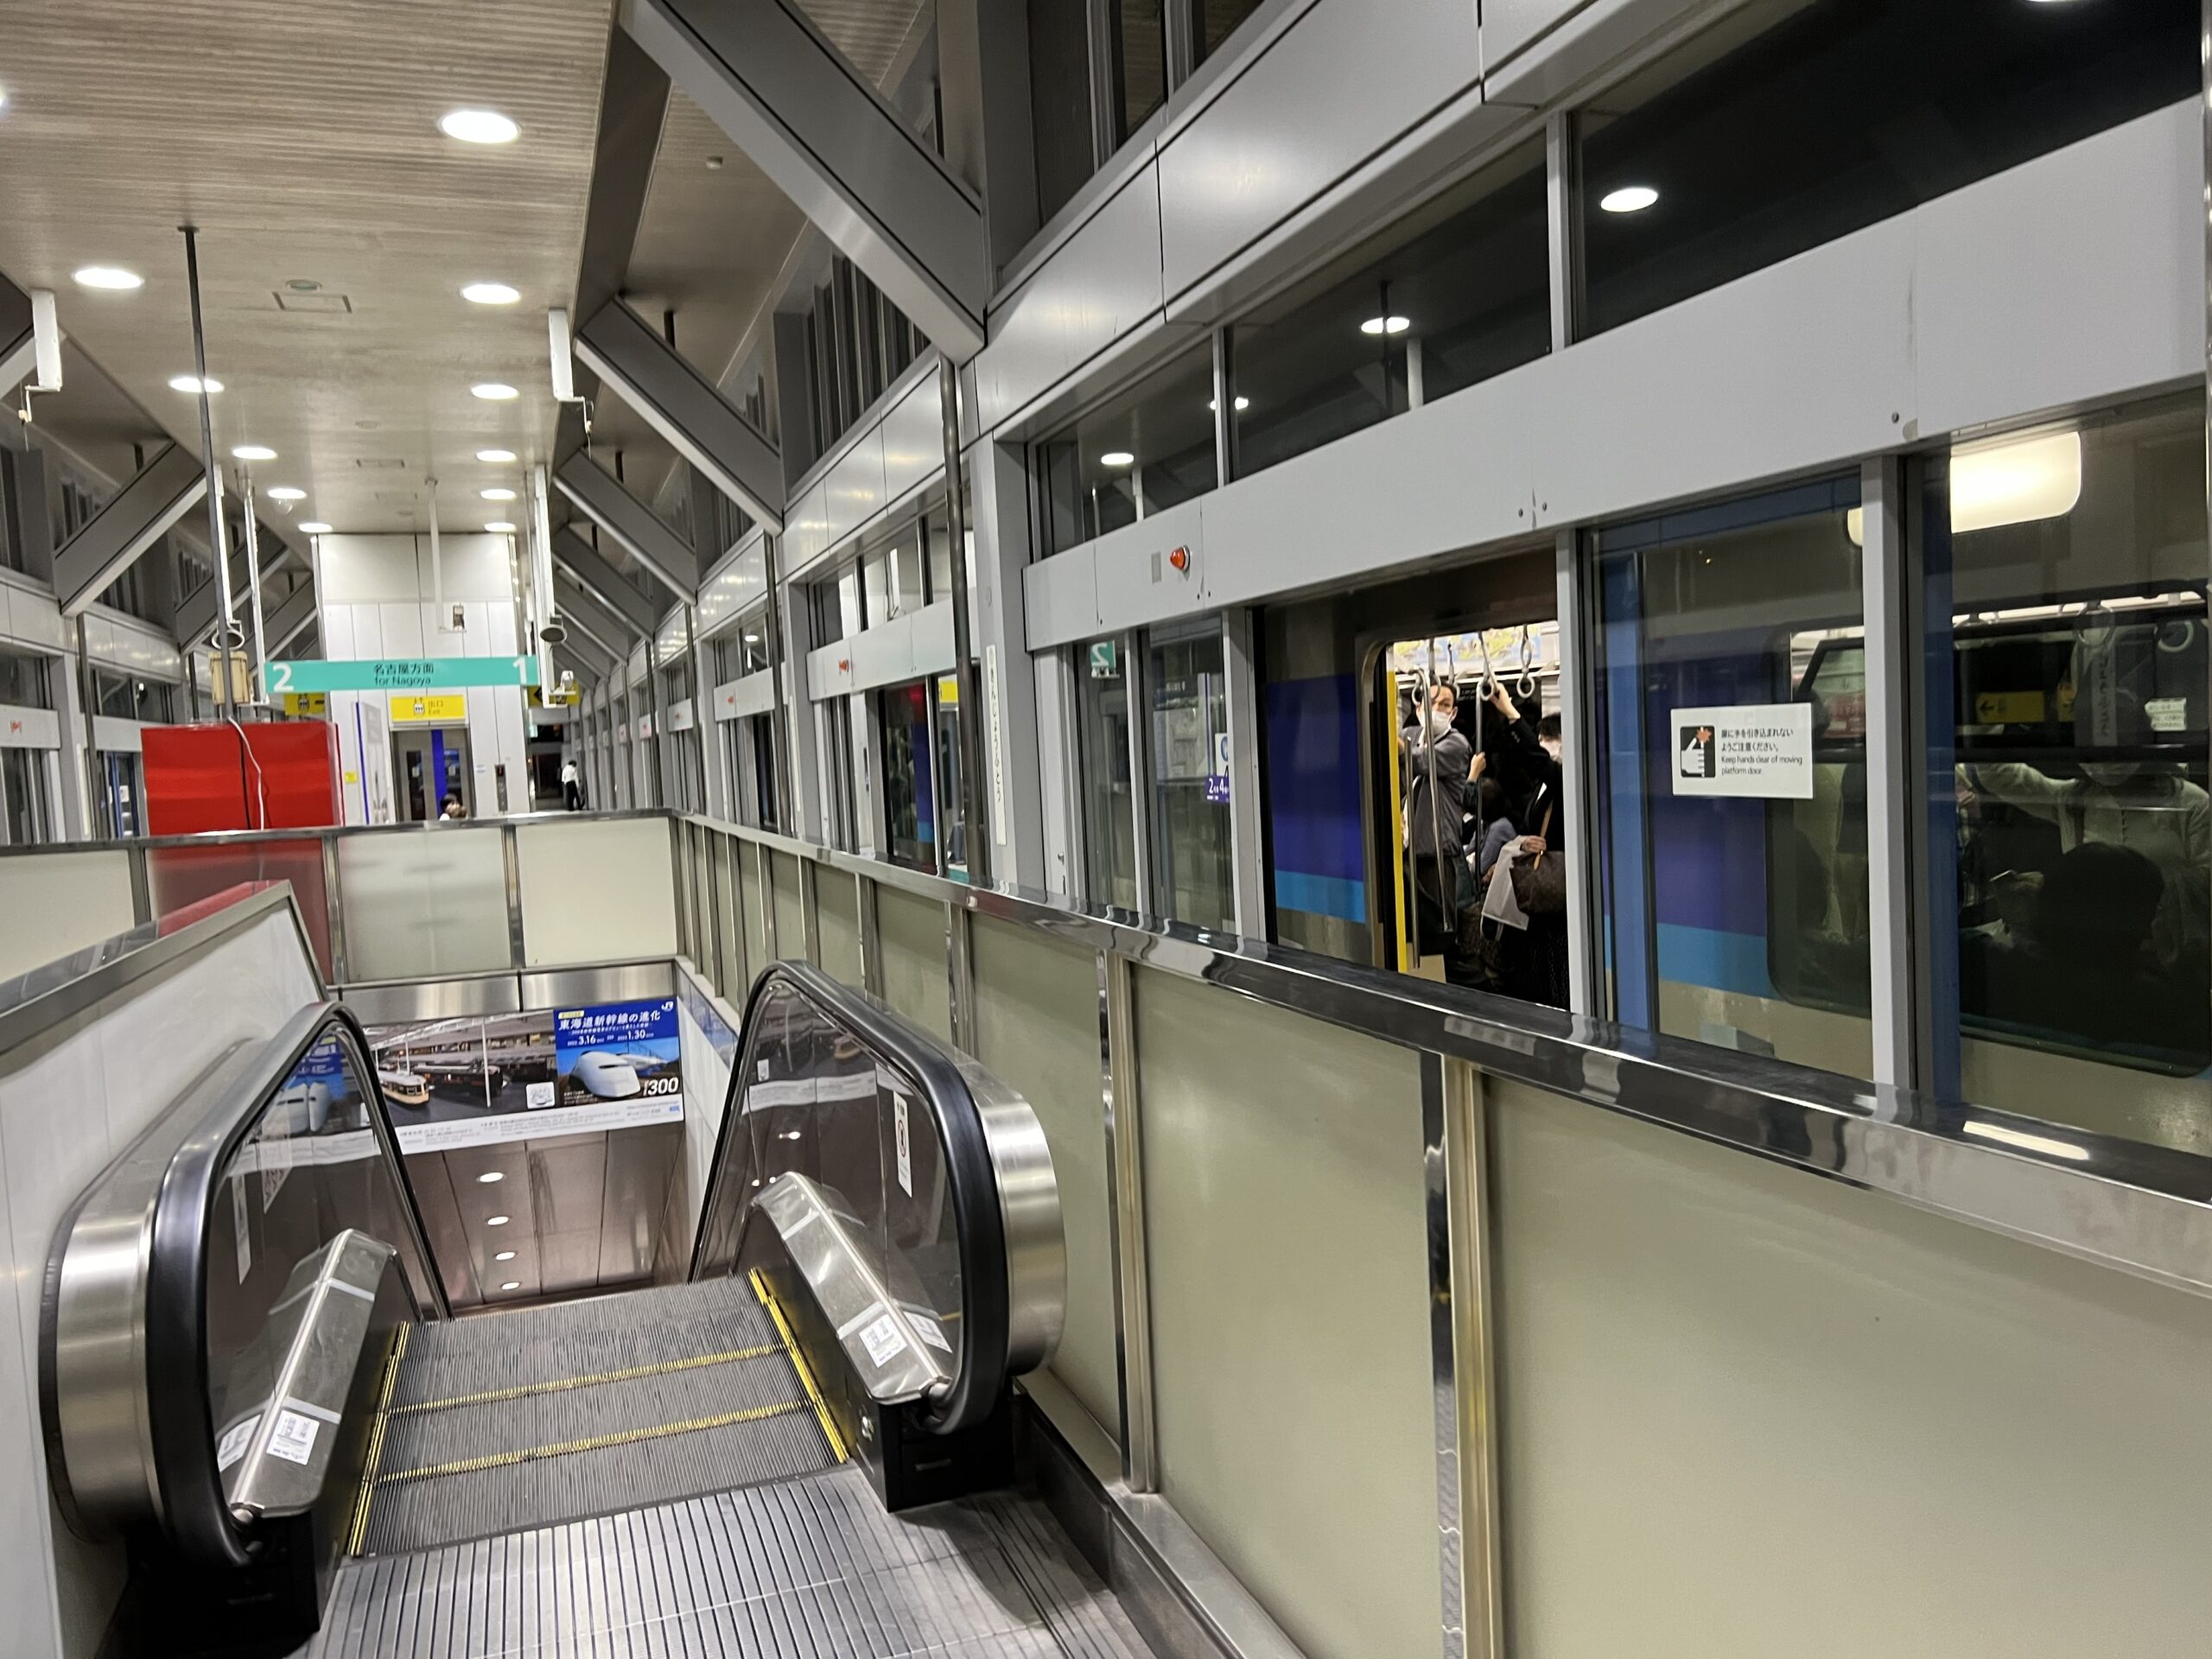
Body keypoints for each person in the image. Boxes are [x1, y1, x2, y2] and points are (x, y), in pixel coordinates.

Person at [1481, 682, 1569, 1008]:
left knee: (1552, 975)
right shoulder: (1542, 788)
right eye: (1541, 738)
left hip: (1555, 893)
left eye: (1551, 738)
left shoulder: (1566, 780)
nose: (1545, 744)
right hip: (1536, 892)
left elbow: (1537, 760)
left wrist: (1511, 713)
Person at [1402, 679, 1478, 984]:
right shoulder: (1411, 735)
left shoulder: (1455, 744)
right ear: (1419, 707)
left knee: (1439, 933)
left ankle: (1470, 993)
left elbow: (1420, 762)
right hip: (1407, 851)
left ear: (1454, 712)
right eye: (1431, 702)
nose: (1437, 709)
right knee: (1413, 933)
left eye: (1444, 704)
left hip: (1437, 852)